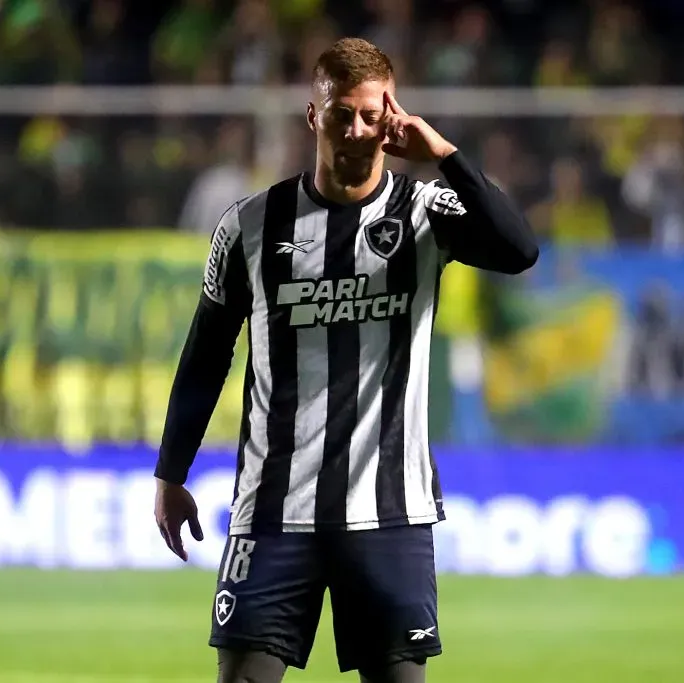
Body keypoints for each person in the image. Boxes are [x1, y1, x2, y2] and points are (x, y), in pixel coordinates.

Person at [153, 37, 539, 683]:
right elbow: (205, 354)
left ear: (391, 117)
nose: (356, 130)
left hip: (388, 513)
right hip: (273, 511)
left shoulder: (424, 213)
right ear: (314, 116)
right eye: (341, 115)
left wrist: (444, 155)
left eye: (371, 114)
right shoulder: (250, 224)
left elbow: (518, 248)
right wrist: (170, 471)